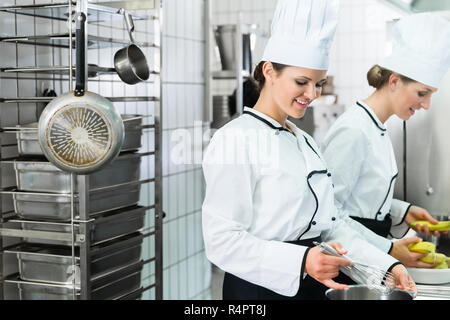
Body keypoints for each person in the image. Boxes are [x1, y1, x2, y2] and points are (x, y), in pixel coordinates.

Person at [202, 0, 415, 300]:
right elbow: (221, 241)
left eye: (319, 83)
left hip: (313, 288)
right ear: (269, 71)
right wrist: (301, 261)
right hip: (258, 292)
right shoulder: (235, 139)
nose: (312, 94)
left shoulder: (305, 142)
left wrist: (387, 266)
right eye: (302, 82)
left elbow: (331, 226)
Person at [321, 12, 450, 268]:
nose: (425, 104)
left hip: (366, 256)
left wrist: (403, 212)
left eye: (431, 95)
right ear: (394, 81)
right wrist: (388, 248)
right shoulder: (354, 130)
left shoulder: (375, 127)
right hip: (350, 260)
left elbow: (362, 197)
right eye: (422, 93)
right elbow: (327, 214)